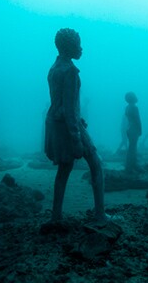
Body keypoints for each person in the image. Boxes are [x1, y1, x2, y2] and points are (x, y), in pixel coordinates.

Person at [44, 28, 108, 223]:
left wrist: (77, 120)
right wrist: (76, 137)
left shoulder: (54, 68)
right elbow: (69, 108)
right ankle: (100, 214)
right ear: (69, 46)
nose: (81, 48)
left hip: (57, 124)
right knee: (96, 164)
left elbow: (61, 104)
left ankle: (56, 217)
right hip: (69, 126)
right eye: (78, 44)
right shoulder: (70, 71)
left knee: (63, 170)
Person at [124, 92, 143, 173]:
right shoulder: (134, 107)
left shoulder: (127, 107)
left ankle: (132, 165)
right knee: (132, 148)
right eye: (135, 95)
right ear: (132, 98)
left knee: (132, 148)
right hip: (134, 129)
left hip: (129, 129)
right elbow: (138, 120)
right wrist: (140, 129)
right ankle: (130, 167)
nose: (136, 96)